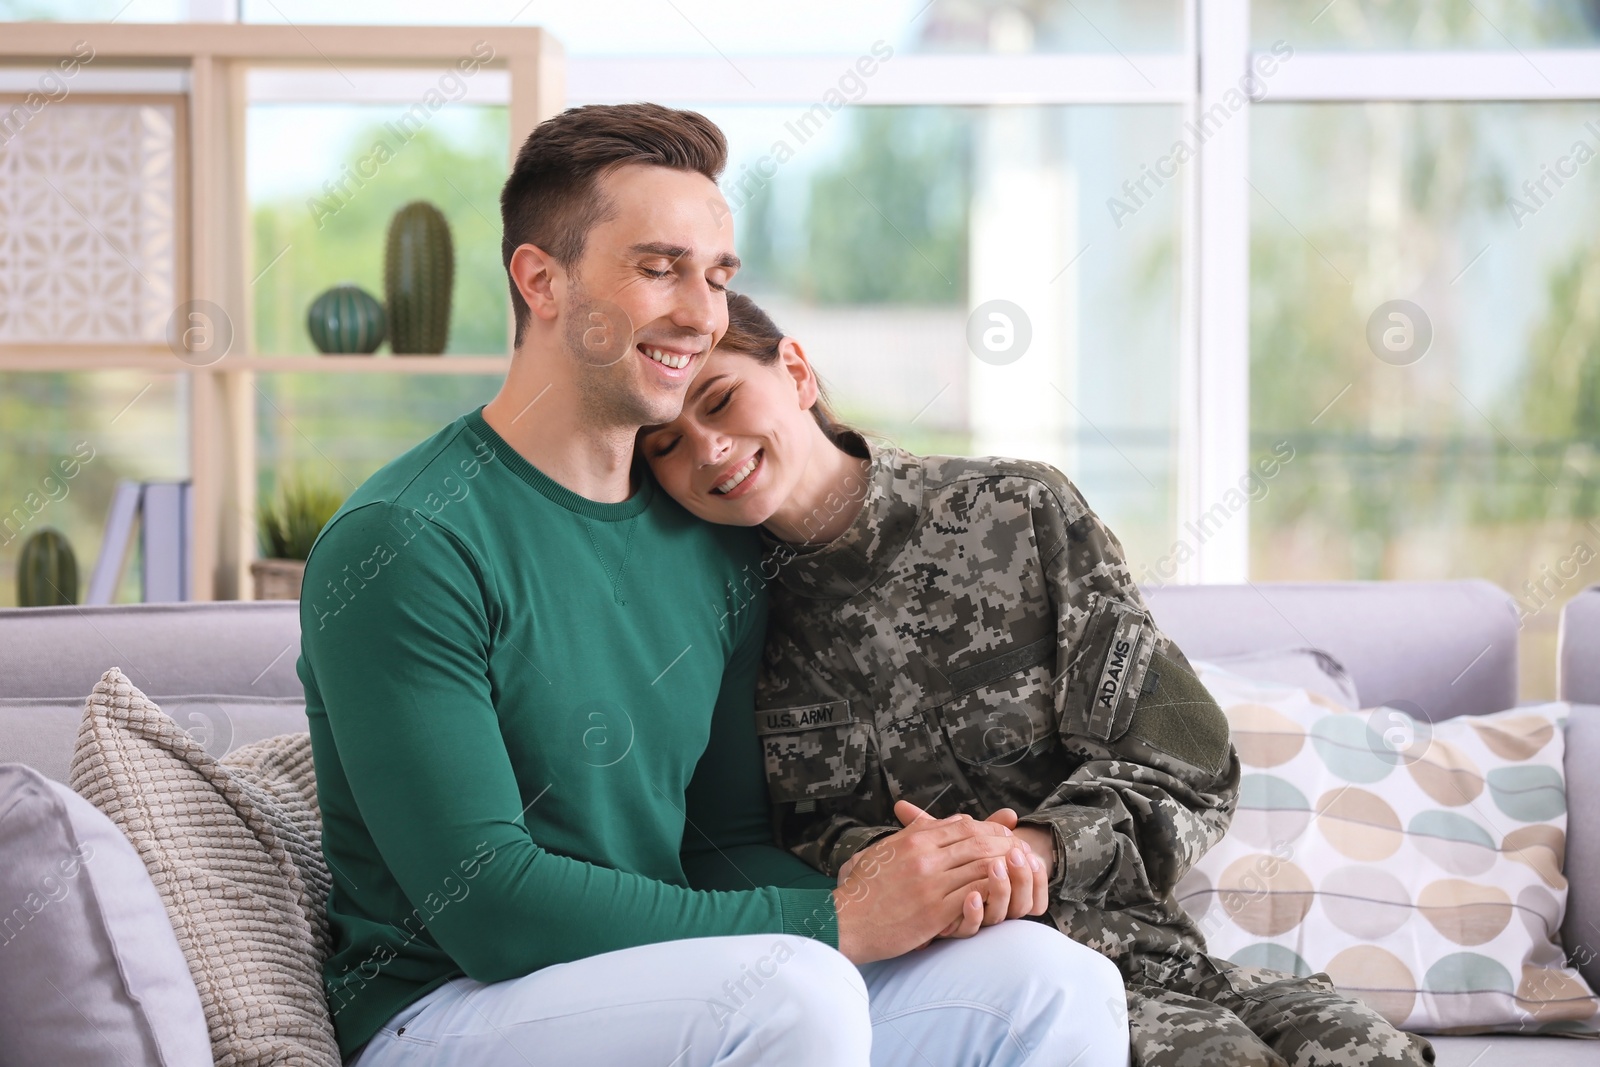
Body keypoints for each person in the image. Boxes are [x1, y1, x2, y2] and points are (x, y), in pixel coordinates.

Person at [299, 103, 1129, 1067]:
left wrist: (928, 883)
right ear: (542, 280)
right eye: (659, 268)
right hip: (449, 1008)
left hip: (680, 986)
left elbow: (718, 842)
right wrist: (838, 916)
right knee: (793, 987)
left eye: (719, 275)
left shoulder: (707, 539)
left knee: (1046, 976)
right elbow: (486, 905)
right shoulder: (406, 540)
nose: (702, 313)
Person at [639, 291, 1439, 1067]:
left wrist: (1037, 846)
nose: (706, 448)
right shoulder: (724, 619)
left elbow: (1188, 764)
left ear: (798, 373)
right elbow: (762, 845)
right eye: (665, 444)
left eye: (720, 399)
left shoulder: (1018, 513)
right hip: (951, 984)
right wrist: (931, 871)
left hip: (1155, 956)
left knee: (1366, 1047)